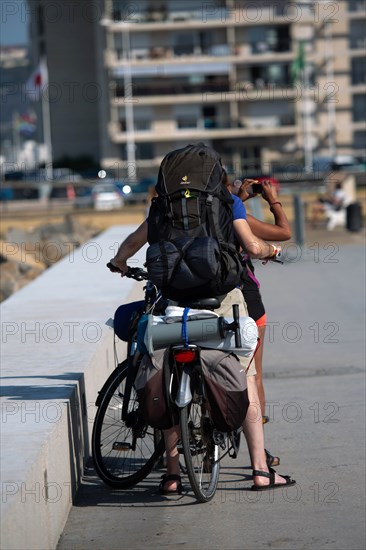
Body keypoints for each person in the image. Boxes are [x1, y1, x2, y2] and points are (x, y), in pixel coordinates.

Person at [110, 189, 296, 494]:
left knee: (166, 376)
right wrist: (271, 253)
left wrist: (119, 261)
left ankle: (172, 475)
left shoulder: (163, 206)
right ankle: (261, 470)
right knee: (245, 377)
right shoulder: (227, 202)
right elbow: (251, 245)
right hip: (220, 301)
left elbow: (133, 241)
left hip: (173, 302)